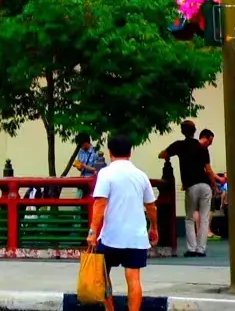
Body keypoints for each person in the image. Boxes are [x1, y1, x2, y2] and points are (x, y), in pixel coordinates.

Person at [86, 135, 158, 311]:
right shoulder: (141, 175)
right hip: (136, 237)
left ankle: (110, 309)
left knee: (103, 275)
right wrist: (154, 227)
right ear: (130, 152)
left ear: (110, 152)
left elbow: (100, 203)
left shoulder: (106, 173)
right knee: (133, 279)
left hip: (111, 236)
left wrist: (92, 232)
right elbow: (151, 206)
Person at [157, 120, 215, 257]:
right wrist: (214, 185)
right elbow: (208, 170)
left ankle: (192, 248)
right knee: (204, 217)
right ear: (195, 131)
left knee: (189, 218)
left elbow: (162, 155)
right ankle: (201, 249)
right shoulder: (202, 148)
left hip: (191, 185)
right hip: (205, 185)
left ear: (183, 131)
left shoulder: (179, 145)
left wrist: (166, 154)